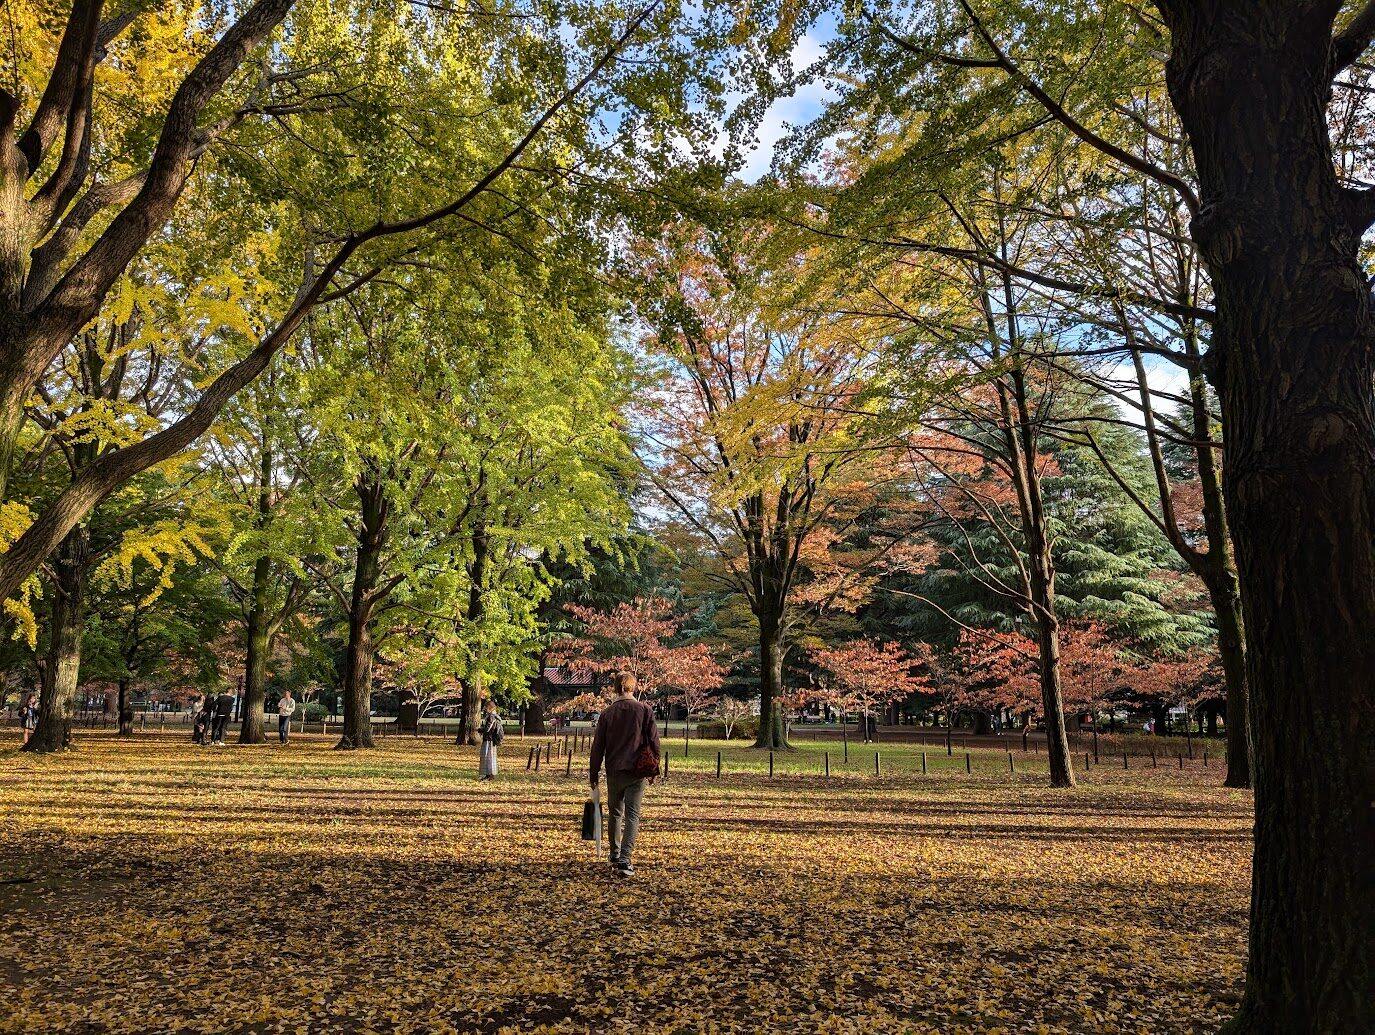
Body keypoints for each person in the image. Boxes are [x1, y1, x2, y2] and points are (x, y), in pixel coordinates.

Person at [588, 671, 660, 878]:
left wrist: (593, 773)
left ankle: (615, 853)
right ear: (633, 687)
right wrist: (654, 767)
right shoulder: (644, 710)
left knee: (615, 813)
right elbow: (654, 741)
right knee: (632, 815)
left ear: (615, 688)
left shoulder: (608, 713)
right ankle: (625, 859)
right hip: (636, 770)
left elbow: (598, 747)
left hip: (614, 770)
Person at [478, 700, 503, 780]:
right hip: (491, 739)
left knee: (487, 757)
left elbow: (488, 729)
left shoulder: (491, 717)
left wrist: (479, 730)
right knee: (489, 757)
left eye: (486, 707)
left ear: (489, 707)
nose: (485, 709)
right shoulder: (494, 716)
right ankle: (489, 774)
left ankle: (490, 775)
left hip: (489, 739)